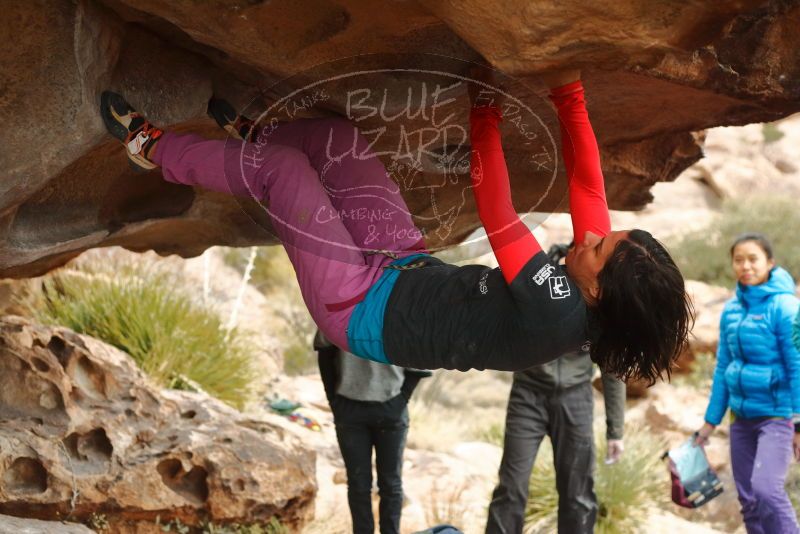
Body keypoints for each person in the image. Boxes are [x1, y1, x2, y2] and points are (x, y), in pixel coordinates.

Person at [99, 67, 692, 382]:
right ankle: (256, 136)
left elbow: (497, 212)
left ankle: (150, 147)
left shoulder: (558, 305)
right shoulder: (591, 280)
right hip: (402, 264)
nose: (590, 236)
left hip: (356, 309)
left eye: (599, 250)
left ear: (597, 289)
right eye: (605, 236)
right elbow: (589, 187)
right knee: (337, 139)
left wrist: (482, 111)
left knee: (283, 173)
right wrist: (570, 92)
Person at [485, 244, 625, 534]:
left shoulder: (600, 295)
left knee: (578, 493)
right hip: (528, 395)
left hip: (575, 398)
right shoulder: (537, 283)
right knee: (511, 487)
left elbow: (612, 369)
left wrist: (616, 430)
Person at [695, 233, 800, 534]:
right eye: (738, 260)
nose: (745, 266)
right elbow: (724, 368)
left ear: (770, 262)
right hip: (741, 420)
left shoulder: (787, 308)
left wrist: (799, 422)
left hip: (777, 418)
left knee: (767, 490)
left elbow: (798, 366)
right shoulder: (731, 310)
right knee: (749, 500)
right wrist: (709, 423)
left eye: (753, 259)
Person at [314, 330, 430, 534]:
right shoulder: (336, 304)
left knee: (390, 484)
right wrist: (333, 398)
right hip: (349, 409)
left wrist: (402, 399)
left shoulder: (401, 310)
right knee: (359, 484)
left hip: (390, 408)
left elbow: (420, 358)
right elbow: (325, 351)